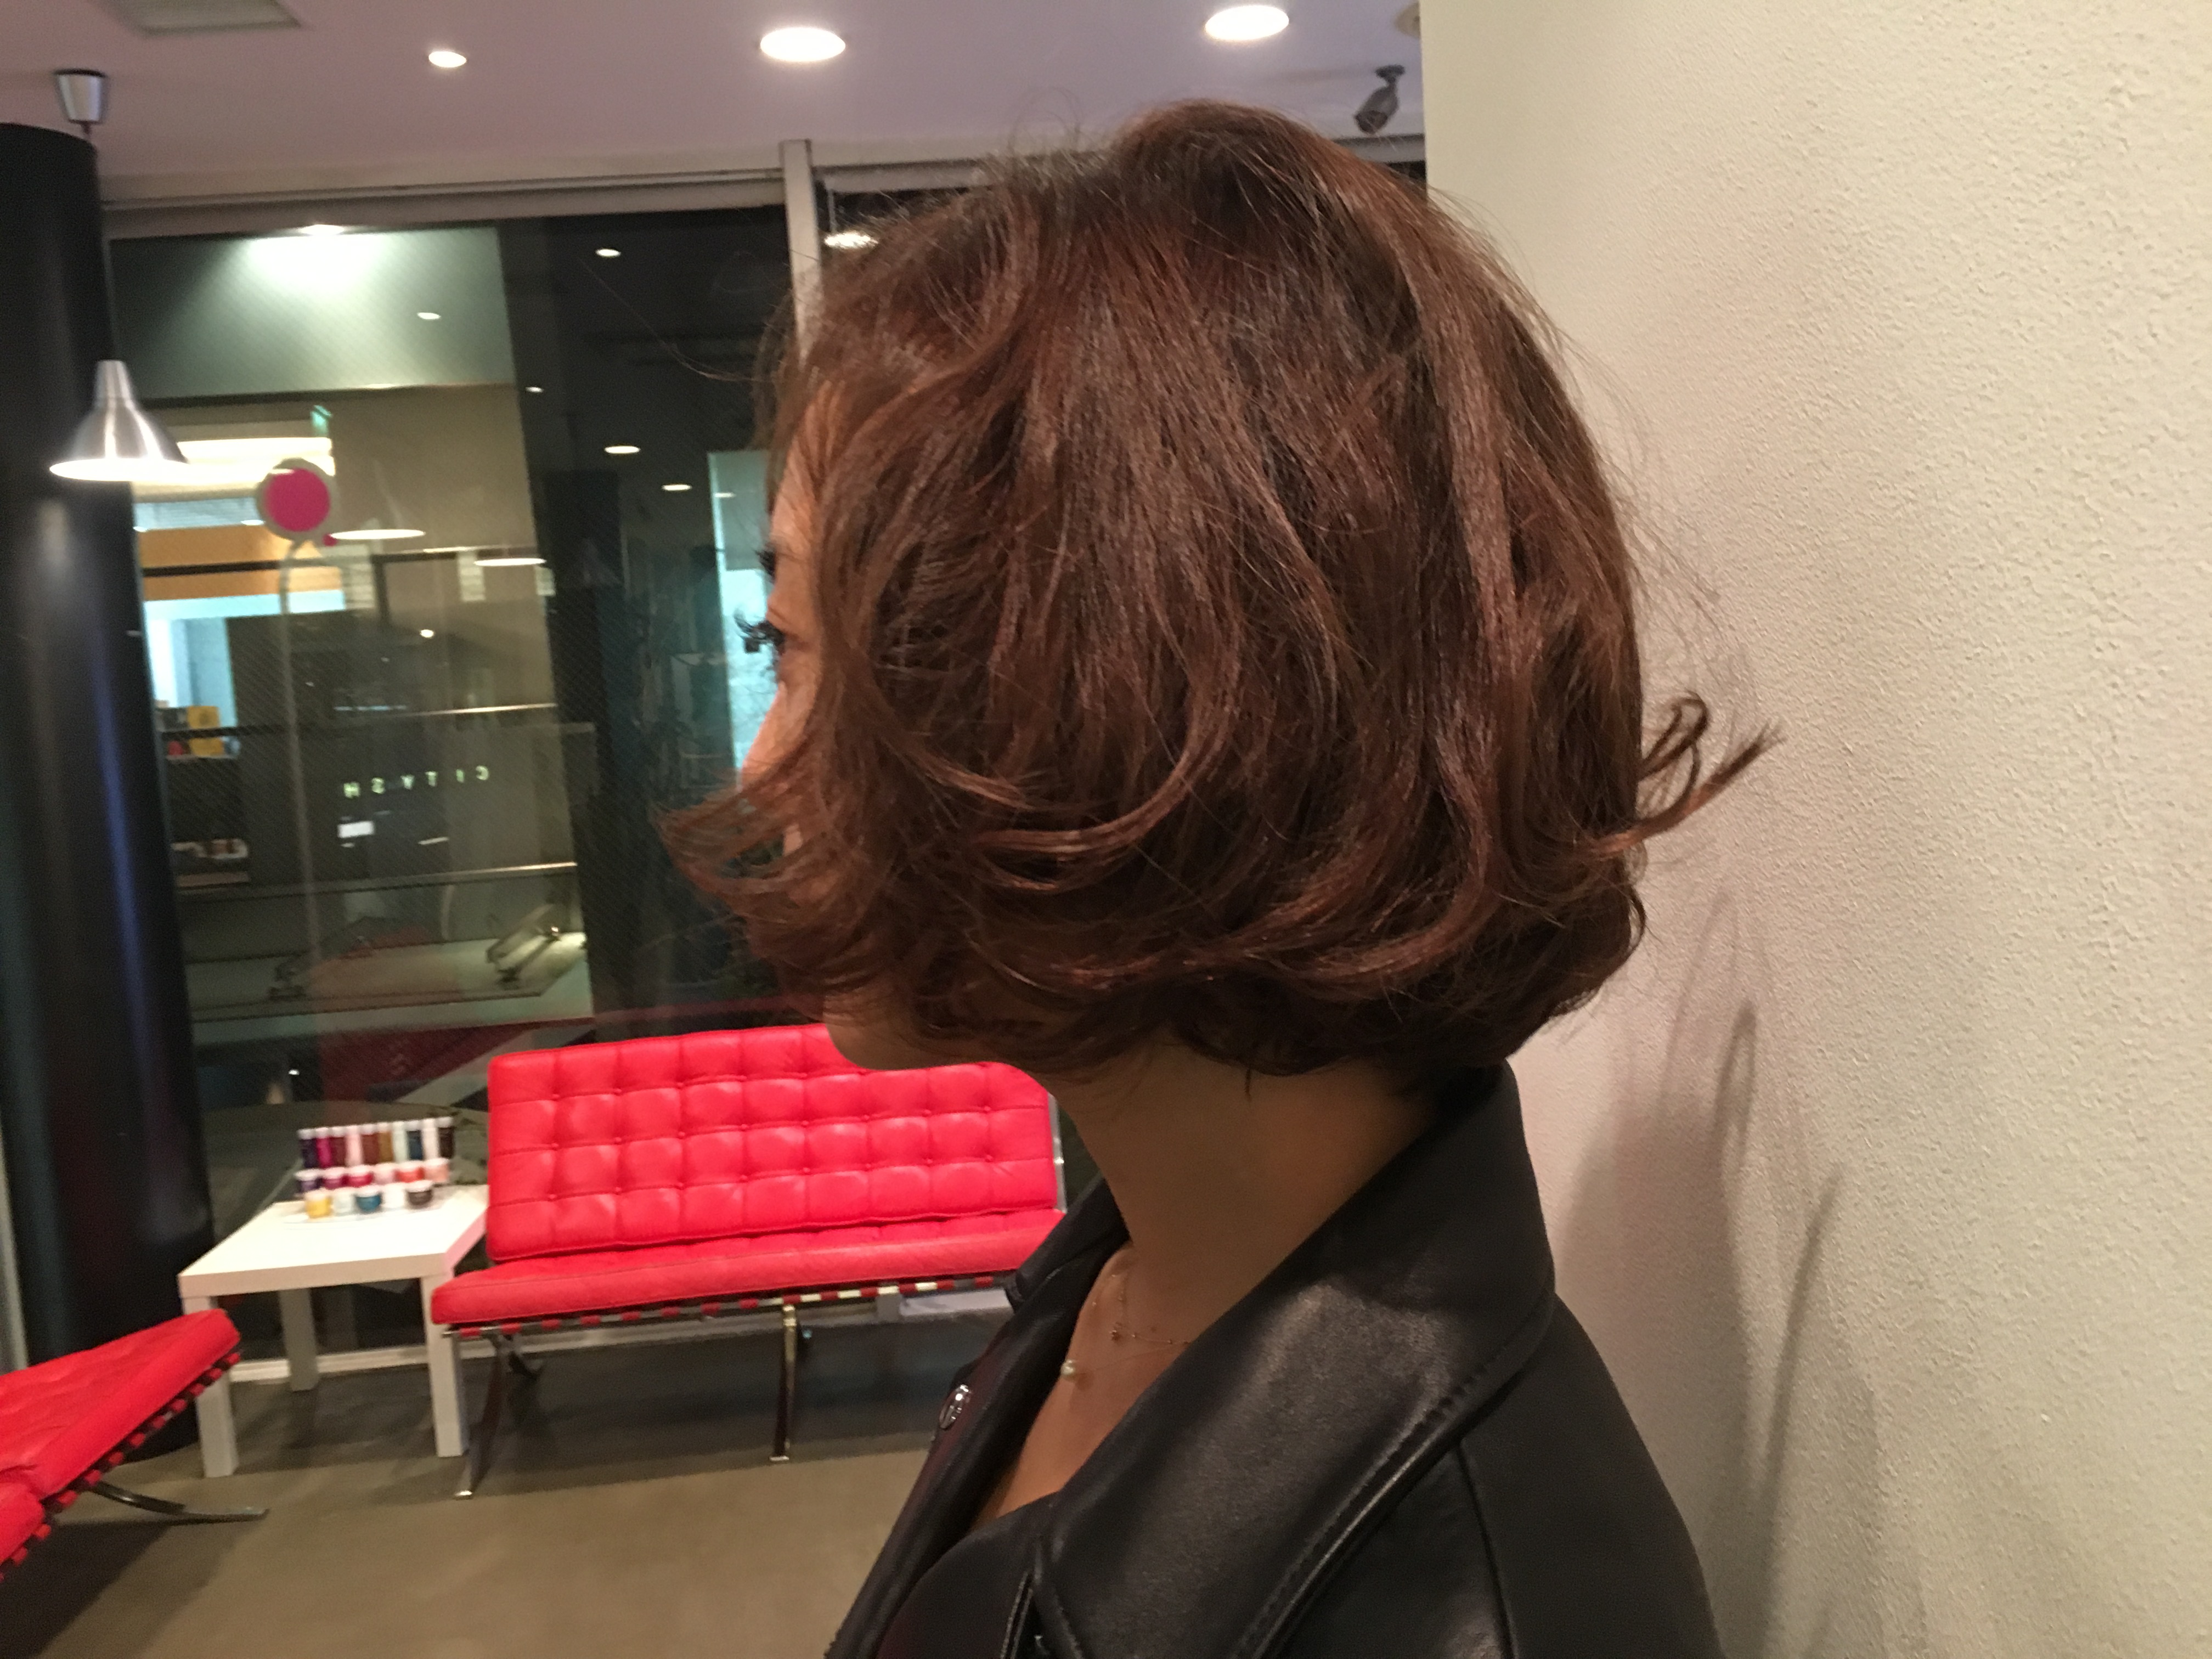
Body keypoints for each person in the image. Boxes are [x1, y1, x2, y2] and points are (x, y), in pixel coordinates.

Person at [677, 100, 1760, 1659]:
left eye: (793, 650)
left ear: (1142, 702)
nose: (764, 765)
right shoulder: (1124, 1287)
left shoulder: (1482, 1611)